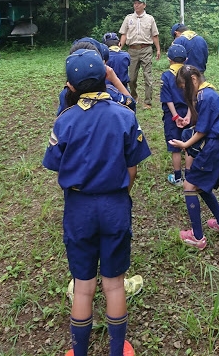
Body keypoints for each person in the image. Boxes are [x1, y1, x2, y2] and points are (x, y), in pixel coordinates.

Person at [42, 49, 151, 356]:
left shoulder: (64, 120)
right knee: (114, 284)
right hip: (116, 204)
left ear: (70, 86)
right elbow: (132, 168)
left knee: (83, 284)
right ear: (107, 77)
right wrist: (119, 192)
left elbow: (56, 166)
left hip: (78, 208)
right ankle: (117, 351)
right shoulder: (126, 116)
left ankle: (79, 352)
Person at [169, 65, 219, 251]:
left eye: (184, 87)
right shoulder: (209, 93)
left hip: (213, 148)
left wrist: (185, 144)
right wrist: (187, 122)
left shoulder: (203, 97)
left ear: (193, 80)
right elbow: (204, 122)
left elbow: (203, 130)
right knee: (202, 186)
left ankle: (197, 236)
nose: (184, 91)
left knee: (189, 186)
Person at [57, 41, 136, 115]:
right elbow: (130, 105)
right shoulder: (111, 93)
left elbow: (60, 120)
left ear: (70, 85)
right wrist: (115, 79)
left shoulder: (65, 95)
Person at [119, 0, 161, 109]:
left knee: (148, 77)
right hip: (132, 50)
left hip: (146, 49)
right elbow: (124, 34)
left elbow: (154, 35)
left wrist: (158, 49)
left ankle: (148, 102)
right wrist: (119, 47)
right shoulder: (128, 18)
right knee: (131, 78)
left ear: (144, 5)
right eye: (135, 3)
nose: (136, 5)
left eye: (139, 3)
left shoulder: (150, 19)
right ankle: (134, 96)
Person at [160, 44, 192, 186]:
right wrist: (189, 116)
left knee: (175, 146)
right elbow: (194, 98)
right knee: (189, 145)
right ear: (186, 59)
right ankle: (190, 177)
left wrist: (175, 117)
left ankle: (178, 178)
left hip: (172, 116)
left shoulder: (166, 76)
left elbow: (168, 99)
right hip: (189, 114)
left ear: (169, 59)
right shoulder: (191, 74)